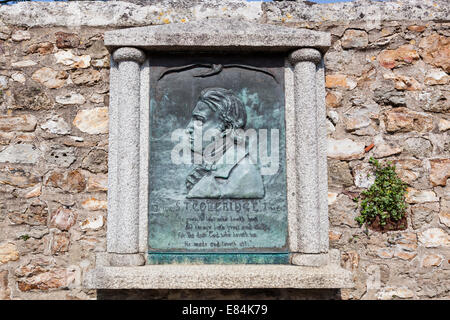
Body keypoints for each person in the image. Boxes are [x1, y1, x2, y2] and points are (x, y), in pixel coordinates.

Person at [185, 88, 264, 199]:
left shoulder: (245, 173)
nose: (188, 128)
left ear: (227, 128)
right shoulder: (208, 164)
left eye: (199, 120)